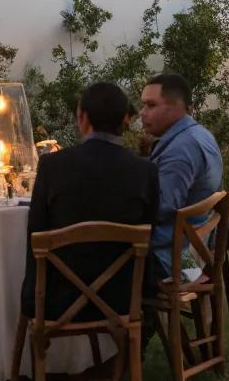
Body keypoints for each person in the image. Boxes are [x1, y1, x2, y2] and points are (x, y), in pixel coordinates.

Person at [20, 81, 158, 320]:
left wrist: (30, 299)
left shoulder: (53, 166)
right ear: (124, 121)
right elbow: (150, 234)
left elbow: (36, 234)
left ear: (83, 118)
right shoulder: (145, 171)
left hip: (57, 301)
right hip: (124, 300)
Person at [139, 72, 223, 277]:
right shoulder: (197, 133)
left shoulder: (181, 149)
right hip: (194, 250)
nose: (142, 113)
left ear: (176, 107)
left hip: (177, 262)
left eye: (151, 105)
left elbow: (161, 208)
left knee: (91, 260)